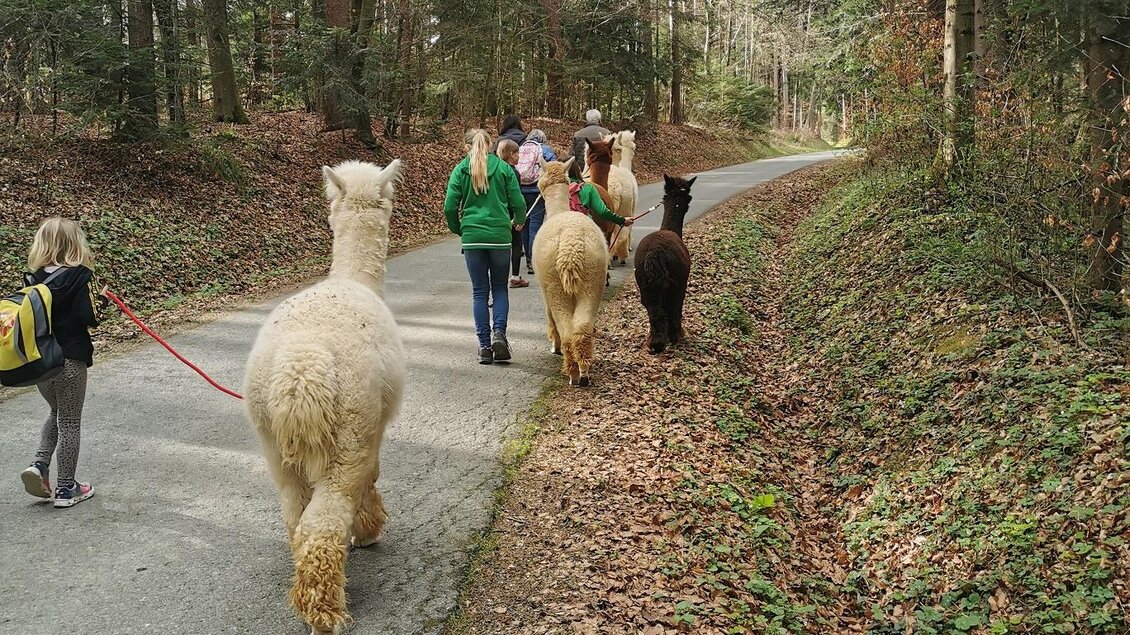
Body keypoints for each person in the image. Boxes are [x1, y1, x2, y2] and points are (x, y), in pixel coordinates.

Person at [19, 217, 108, 508]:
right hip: (70, 359)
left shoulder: (33, 279)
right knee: (70, 420)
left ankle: (39, 465)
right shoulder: (81, 276)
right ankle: (67, 489)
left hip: (41, 362)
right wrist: (102, 300)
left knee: (56, 411)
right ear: (74, 243)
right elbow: (89, 318)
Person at [444, 129, 527, 365]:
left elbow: (450, 207)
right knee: (500, 287)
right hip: (500, 236)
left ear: (466, 146)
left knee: (479, 292)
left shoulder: (461, 169)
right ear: (491, 144)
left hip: (473, 237)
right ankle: (499, 333)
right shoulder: (503, 168)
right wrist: (518, 221)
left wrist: (460, 230)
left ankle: (483, 346)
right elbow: (518, 202)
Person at [518, 129, 556, 275]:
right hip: (536, 192)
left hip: (520, 190)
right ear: (543, 138)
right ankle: (533, 260)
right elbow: (553, 167)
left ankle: (528, 258)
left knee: (524, 224)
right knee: (535, 225)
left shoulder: (520, 148)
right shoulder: (544, 149)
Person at [565, 156, 634, 230]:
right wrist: (622, 221)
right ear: (577, 170)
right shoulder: (588, 188)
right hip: (583, 227)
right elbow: (602, 212)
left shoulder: (555, 190)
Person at [496, 139, 529, 289]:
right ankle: (515, 277)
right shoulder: (512, 172)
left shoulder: (496, 169)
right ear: (511, 154)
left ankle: (498, 276)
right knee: (516, 244)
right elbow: (517, 196)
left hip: (499, 212)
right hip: (511, 214)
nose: (519, 157)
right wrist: (519, 217)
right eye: (518, 154)